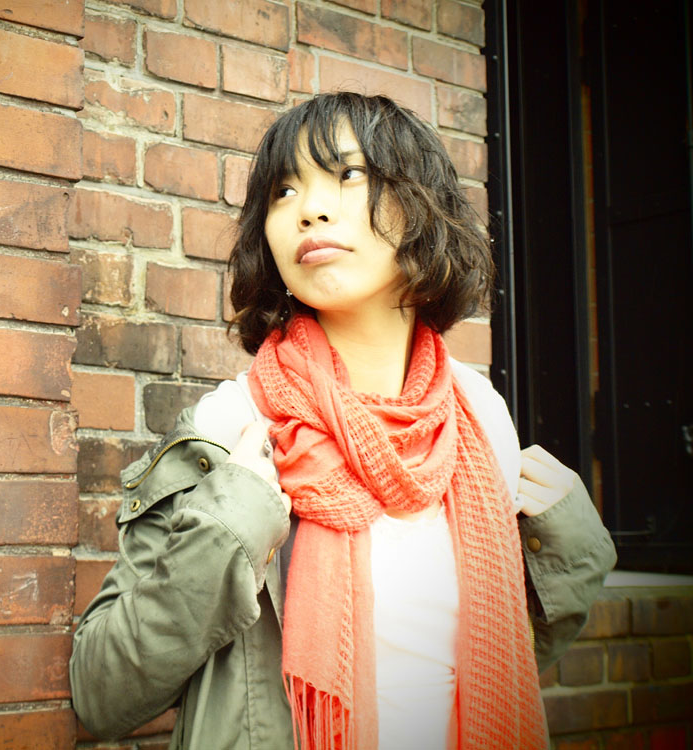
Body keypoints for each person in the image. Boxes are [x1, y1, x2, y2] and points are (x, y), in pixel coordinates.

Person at [69, 92, 616, 749]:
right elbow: (102, 693)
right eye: (283, 191)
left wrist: (569, 551)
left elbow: (493, 664)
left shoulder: (478, 417)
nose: (309, 209)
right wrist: (227, 531)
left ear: (421, 205)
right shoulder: (232, 427)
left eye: (348, 174)